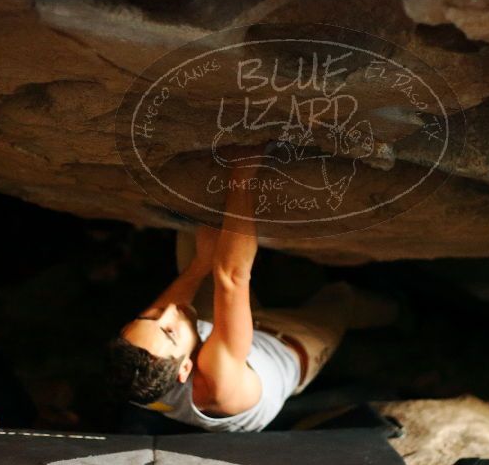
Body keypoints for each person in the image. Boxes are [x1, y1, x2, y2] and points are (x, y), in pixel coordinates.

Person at [108, 152, 398, 432]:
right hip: (285, 342)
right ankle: (402, 313)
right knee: (340, 298)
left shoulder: (139, 371)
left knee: (194, 234)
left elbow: (169, 314)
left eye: (150, 318)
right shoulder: (219, 385)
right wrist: (243, 171)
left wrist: (199, 264)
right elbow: (232, 276)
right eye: (169, 331)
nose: (168, 311)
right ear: (184, 370)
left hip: (220, 335)